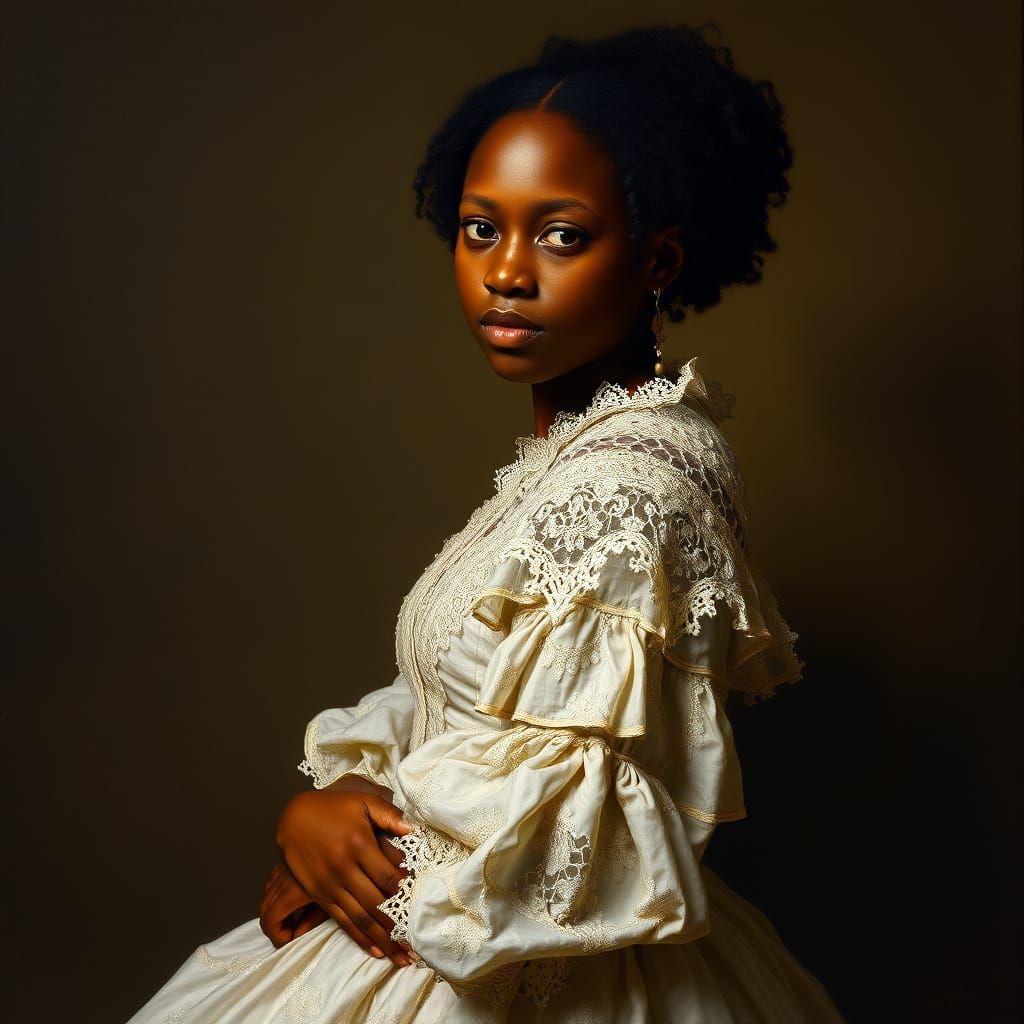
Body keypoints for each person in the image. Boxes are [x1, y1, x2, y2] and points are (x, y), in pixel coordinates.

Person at [129, 23, 846, 1023]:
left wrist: (347, 847)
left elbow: (570, 839)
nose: (507, 270)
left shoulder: (632, 489)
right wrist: (330, 813)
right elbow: (460, 702)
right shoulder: (571, 462)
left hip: (526, 967)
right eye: (480, 228)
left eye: (559, 234)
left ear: (657, 259)